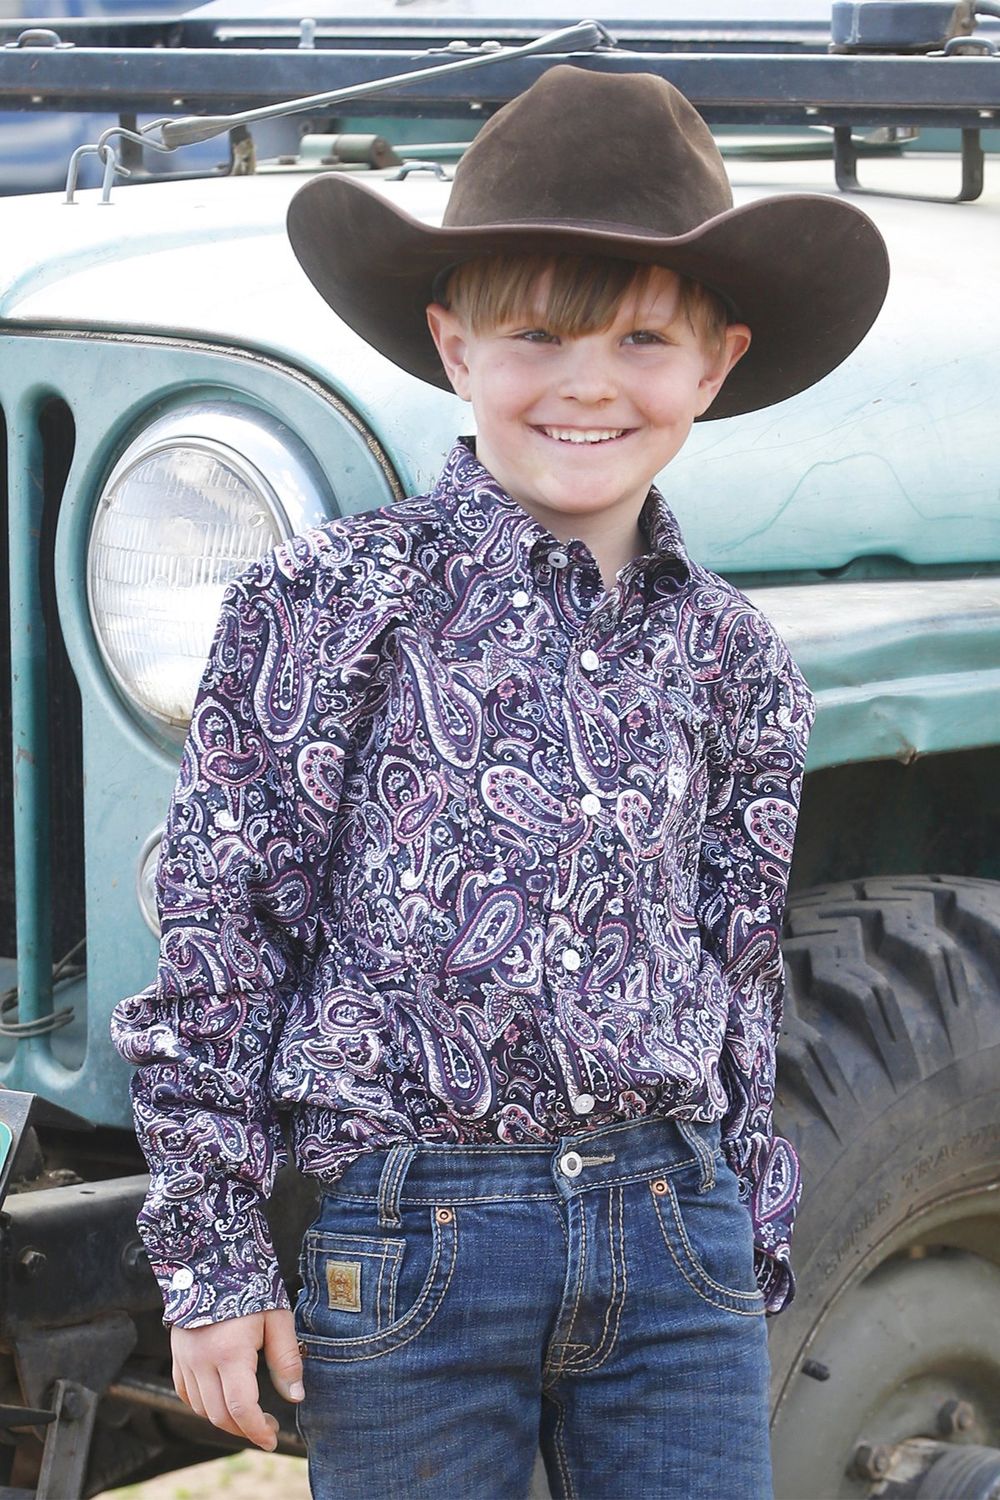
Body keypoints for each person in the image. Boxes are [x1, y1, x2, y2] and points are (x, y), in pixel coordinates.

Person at [111, 64, 889, 1500]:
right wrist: (215, 1255)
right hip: (410, 1244)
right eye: (537, 333)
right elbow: (222, 947)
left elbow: (737, 975)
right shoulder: (325, 610)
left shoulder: (738, 661)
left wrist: (744, 1241)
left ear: (715, 364)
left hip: (674, 1232)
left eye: (643, 339)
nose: (588, 381)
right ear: (453, 347)